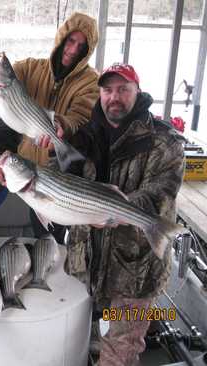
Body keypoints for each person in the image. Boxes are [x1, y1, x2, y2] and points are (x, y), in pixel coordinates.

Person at [44, 63, 184, 365]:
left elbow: (160, 193)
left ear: (138, 90)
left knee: (121, 351)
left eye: (123, 89)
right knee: (84, 340)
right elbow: (58, 174)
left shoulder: (164, 141)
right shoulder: (86, 134)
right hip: (88, 260)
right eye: (108, 90)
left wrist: (111, 209)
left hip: (136, 268)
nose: (114, 97)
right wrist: (51, 151)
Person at [0, 12, 99, 242]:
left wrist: (61, 125)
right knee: (40, 228)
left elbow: (80, 116)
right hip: (30, 170)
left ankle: (60, 261)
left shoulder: (90, 81)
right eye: (70, 41)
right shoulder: (30, 68)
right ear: (61, 39)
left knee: (59, 231)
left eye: (81, 45)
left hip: (62, 173)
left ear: (87, 51)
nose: (72, 49)